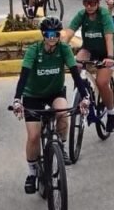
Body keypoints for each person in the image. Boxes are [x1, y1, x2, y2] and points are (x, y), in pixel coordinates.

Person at [11, 17, 89, 194]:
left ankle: (60, 146)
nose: (52, 37)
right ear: (43, 35)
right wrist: (17, 99)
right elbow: (23, 77)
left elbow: (76, 74)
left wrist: (85, 97)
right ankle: (32, 173)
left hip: (55, 93)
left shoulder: (64, 49)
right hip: (32, 96)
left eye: (56, 34)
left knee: (62, 113)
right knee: (33, 136)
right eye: (49, 34)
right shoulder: (34, 51)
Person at [61, 0, 114, 133]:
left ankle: (111, 113)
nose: (89, 6)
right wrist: (61, 50)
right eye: (86, 3)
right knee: (77, 65)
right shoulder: (82, 15)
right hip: (89, 49)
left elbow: (109, 38)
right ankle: (81, 94)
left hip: (107, 52)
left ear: (98, 2)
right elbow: (69, 33)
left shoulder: (104, 14)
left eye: (92, 3)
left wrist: (110, 57)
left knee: (101, 82)